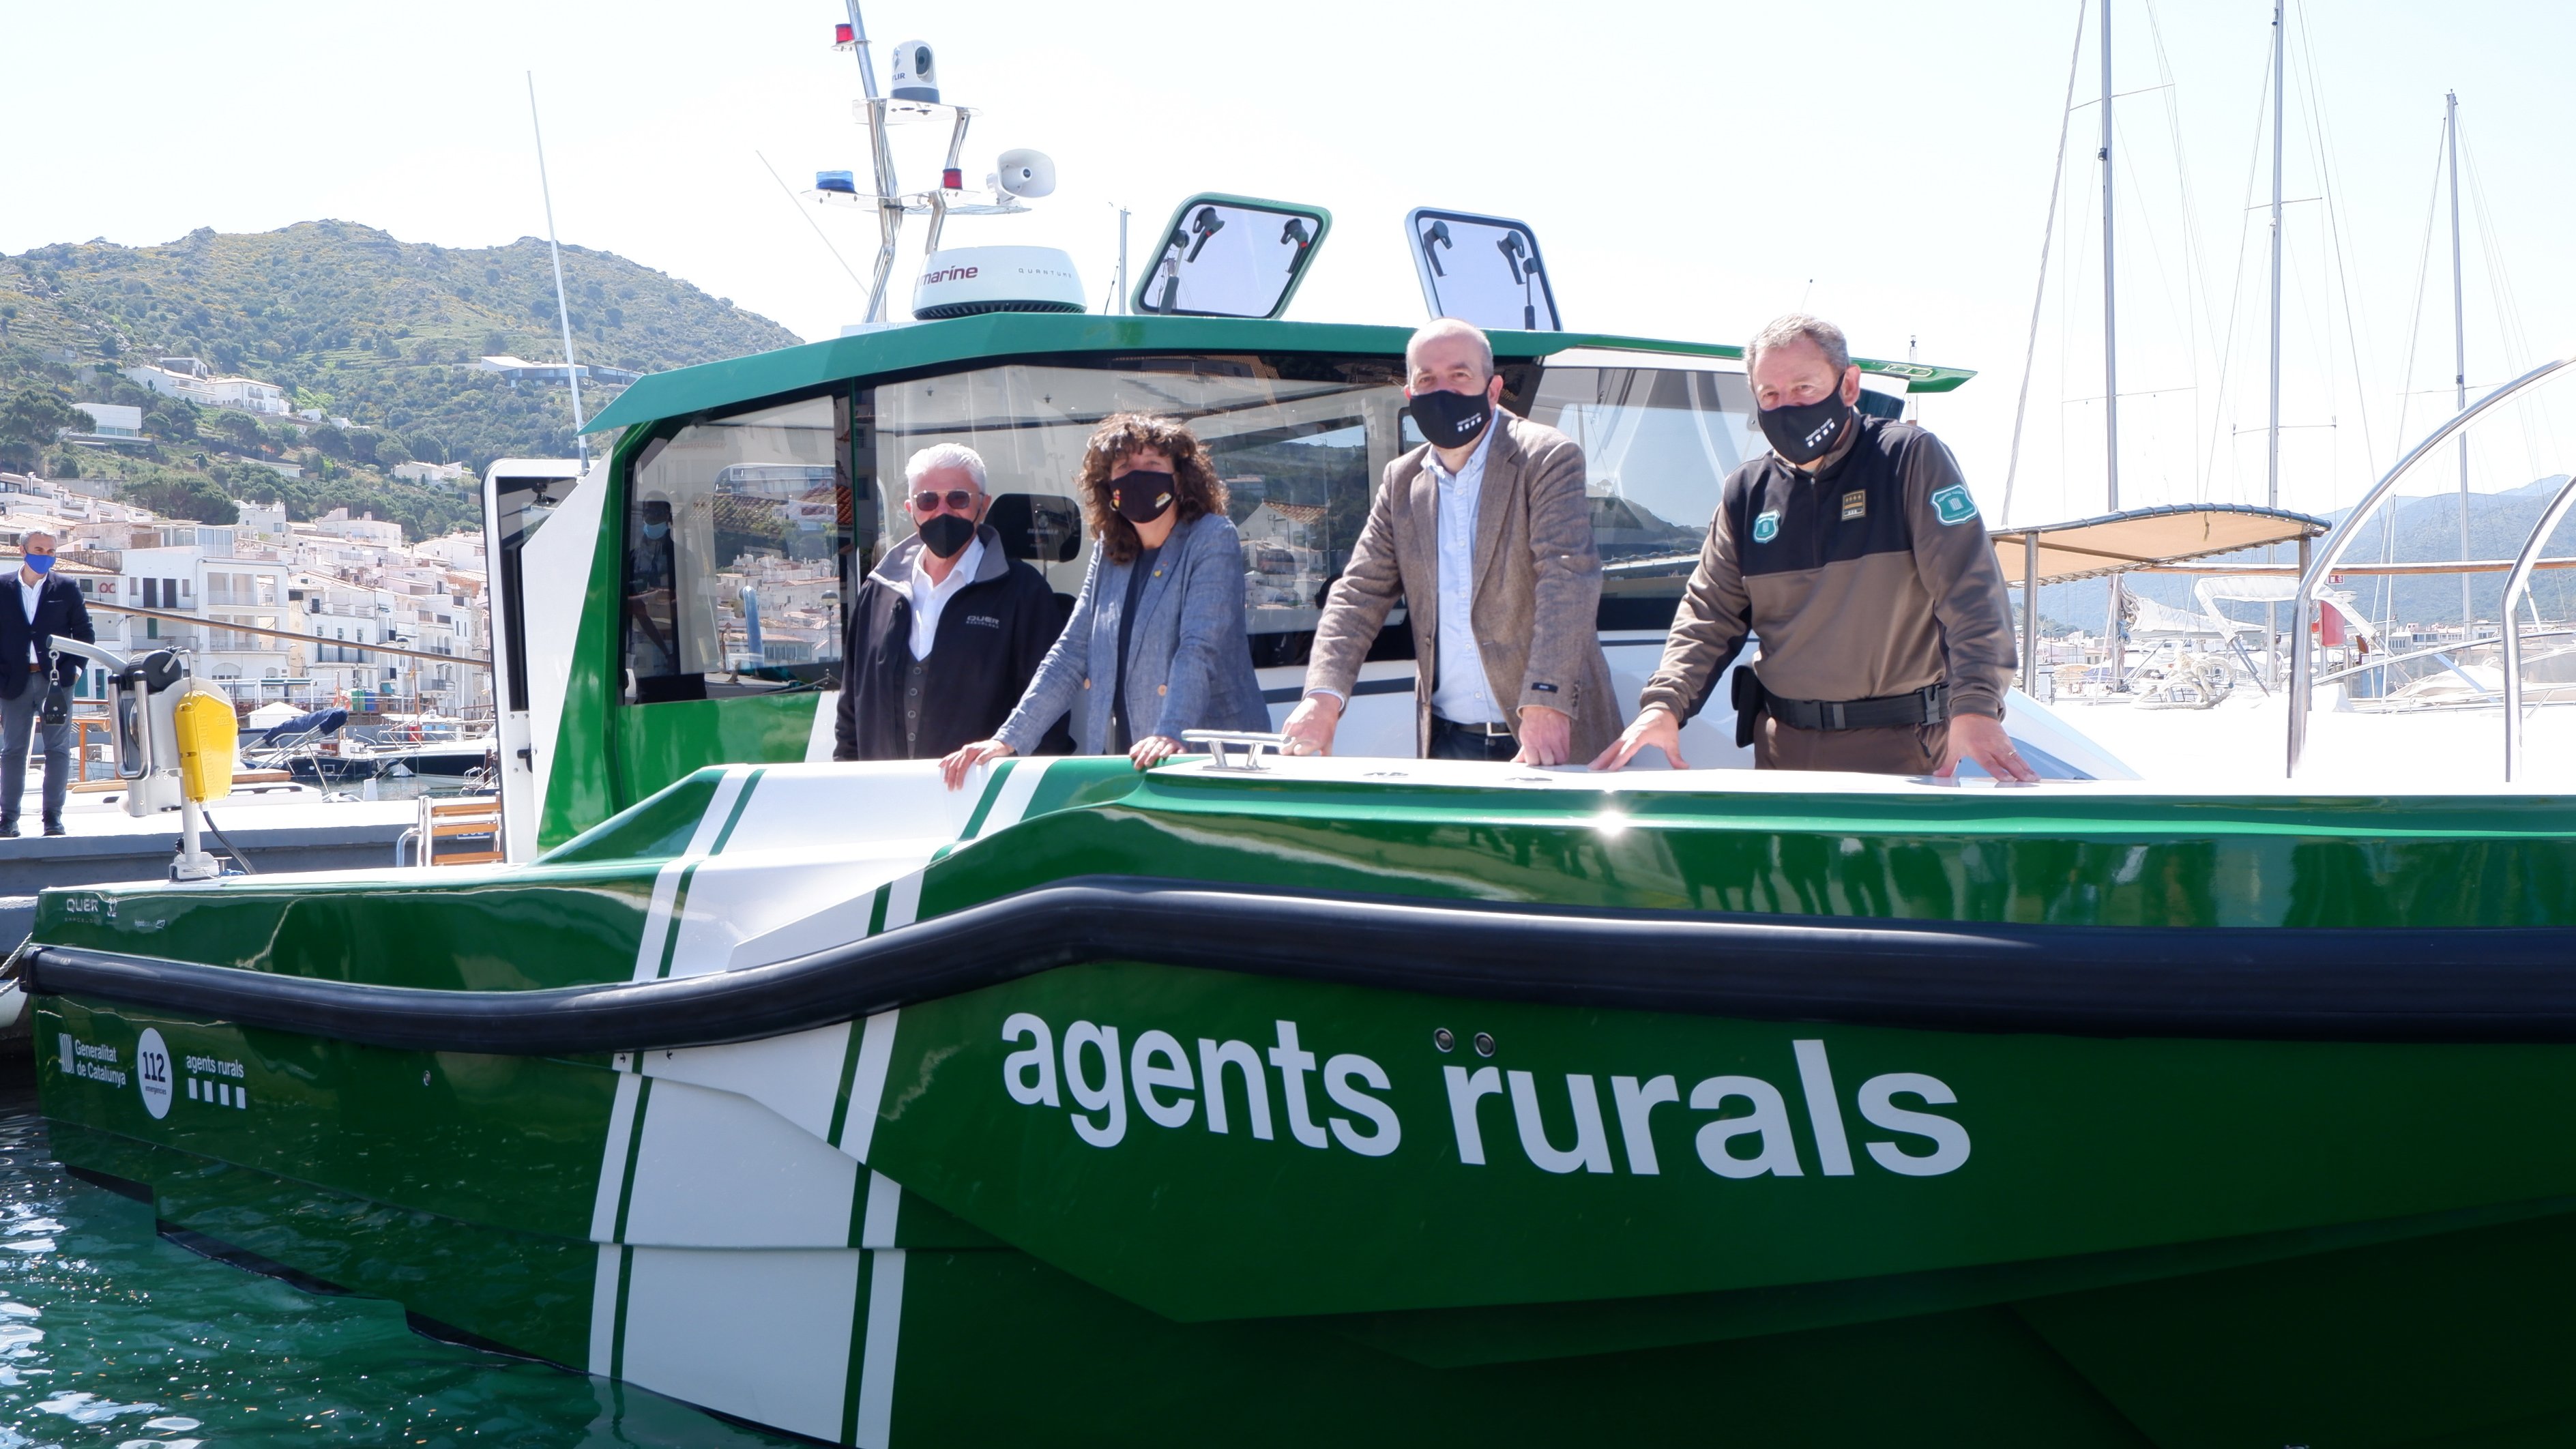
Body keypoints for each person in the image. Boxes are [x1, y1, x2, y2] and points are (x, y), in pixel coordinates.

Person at [1591, 314, 2032, 780]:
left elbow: (1971, 593)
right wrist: (1664, 704)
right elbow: (1709, 614)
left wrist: (1978, 707)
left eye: (1804, 388)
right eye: (1771, 395)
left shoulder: (1908, 460)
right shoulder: (1746, 492)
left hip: (1900, 749)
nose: (1788, 407)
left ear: (1848, 386)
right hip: (1782, 751)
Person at [1282, 318, 1617, 764]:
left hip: (1549, 731)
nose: (1443, 391)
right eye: (1427, 379)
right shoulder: (1402, 481)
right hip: (1450, 743)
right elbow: (1359, 593)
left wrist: (1546, 697)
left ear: (1493, 389)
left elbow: (1567, 578)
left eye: (1460, 376)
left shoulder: (1546, 457)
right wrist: (1322, 697)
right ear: (1410, 395)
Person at [942, 414, 1266, 785]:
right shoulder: (1110, 551)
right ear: (1108, 484)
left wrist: (1171, 731)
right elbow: (1070, 653)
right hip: (1128, 763)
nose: (1138, 475)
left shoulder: (1212, 537)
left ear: (1179, 479)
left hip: (1207, 764)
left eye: (1153, 464)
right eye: (1125, 466)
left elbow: (1199, 648)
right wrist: (1009, 739)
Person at [836, 444, 1068, 760]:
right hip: (884, 797)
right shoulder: (879, 592)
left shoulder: (1024, 593)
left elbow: (1049, 712)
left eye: (958, 498)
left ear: (983, 506)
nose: (942, 511)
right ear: (910, 509)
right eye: (928, 500)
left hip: (983, 798)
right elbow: (851, 712)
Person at [1, 531, 94, 837]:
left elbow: (85, 635)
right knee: (13, 749)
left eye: (51, 551)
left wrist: (75, 673)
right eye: (39, 549)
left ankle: (52, 817)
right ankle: (8, 818)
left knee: (58, 749)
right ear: (23, 550)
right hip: (13, 682)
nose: (45, 555)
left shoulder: (66, 588)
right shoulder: (3, 587)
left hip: (56, 682)